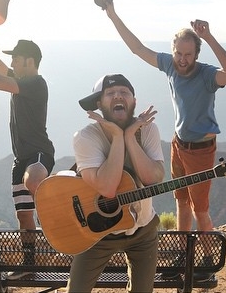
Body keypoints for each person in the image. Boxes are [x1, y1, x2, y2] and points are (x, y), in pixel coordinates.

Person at [102, 0, 226, 280]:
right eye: (178, 52)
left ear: (196, 54)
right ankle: (182, 255)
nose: (182, 59)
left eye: (188, 54)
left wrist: (210, 37)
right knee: (181, 202)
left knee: (200, 209)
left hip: (201, 149)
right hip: (179, 144)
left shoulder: (207, 75)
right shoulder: (170, 66)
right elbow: (137, 48)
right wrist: (111, 12)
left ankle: (207, 263)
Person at [0, 29, 55, 280]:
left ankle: (60, 211)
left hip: (39, 152)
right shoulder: (21, 79)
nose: (12, 63)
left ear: (29, 61)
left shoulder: (35, 83)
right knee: (23, 215)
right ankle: (29, 264)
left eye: (16, 59)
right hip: (21, 158)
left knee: (33, 180)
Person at [66, 73, 165, 293]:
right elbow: (107, 188)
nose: (118, 96)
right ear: (99, 103)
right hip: (96, 232)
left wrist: (130, 136)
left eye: (124, 92)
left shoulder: (147, 129)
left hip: (142, 229)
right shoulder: (85, 137)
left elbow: (153, 178)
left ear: (134, 101)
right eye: (110, 93)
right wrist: (118, 138)